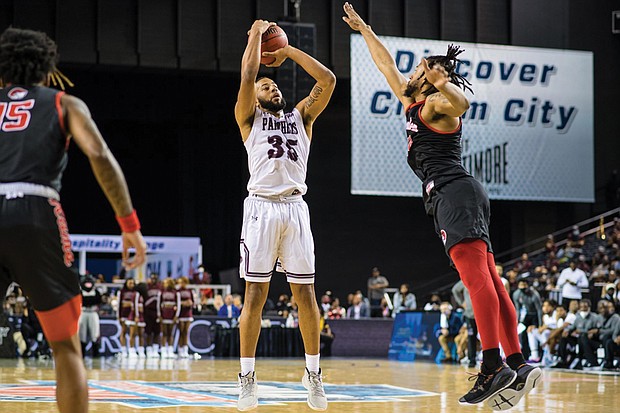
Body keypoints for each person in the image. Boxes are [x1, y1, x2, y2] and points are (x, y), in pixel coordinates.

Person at [342, 3, 540, 408]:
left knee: (477, 283)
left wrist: (442, 81)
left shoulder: (436, 105)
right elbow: (386, 67)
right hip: (461, 194)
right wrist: (364, 29)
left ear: (429, 81)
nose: (411, 72)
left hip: (453, 193)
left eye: (420, 71)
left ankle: (492, 365)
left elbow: (462, 105)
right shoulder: (412, 100)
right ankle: (517, 361)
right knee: (491, 281)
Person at [0, 27, 146, 413]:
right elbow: (99, 155)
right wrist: (129, 225)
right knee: (65, 346)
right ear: (48, 71)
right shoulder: (65, 103)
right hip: (34, 208)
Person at [234, 19, 335, 412]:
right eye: (265, 85)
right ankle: (246, 378)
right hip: (260, 207)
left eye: (273, 83)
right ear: (256, 97)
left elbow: (326, 80)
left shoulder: (301, 117)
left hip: (295, 207)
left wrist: (288, 51)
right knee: (254, 297)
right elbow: (246, 73)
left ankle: (313, 375)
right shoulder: (248, 118)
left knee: (305, 295)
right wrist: (257, 34)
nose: (271, 86)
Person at [452, 280, 478, 367]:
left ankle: (490, 360)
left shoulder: (484, 277)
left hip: (484, 313)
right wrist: (462, 302)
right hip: (470, 314)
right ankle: (472, 359)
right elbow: (455, 290)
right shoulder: (466, 279)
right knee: (471, 337)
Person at [78, 275, 101, 357]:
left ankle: (96, 354)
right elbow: (82, 302)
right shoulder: (80, 292)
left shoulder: (96, 292)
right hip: (83, 313)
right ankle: (81, 354)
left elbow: (98, 300)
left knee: (95, 333)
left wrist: (88, 301)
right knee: (81, 334)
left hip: (93, 313)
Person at [143, 273, 162, 359]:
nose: (154, 280)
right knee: (148, 332)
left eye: (155, 278)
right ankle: (148, 348)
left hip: (158, 312)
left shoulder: (160, 287)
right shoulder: (146, 287)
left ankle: (155, 349)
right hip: (148, 311)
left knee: (157, 332)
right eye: (152, 278)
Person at [176, 276, 194, 358]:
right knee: (181, 331)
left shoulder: (189, 291)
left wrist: (190, 303)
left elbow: (193, 302)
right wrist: (183, 303)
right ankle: (180, 349)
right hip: (180, 314)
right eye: (180, 282)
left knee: (186, 332)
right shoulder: (177, 291)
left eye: (183, 282)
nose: (181, 284)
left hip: (188, 314)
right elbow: (176, 302)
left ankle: (185, 350)